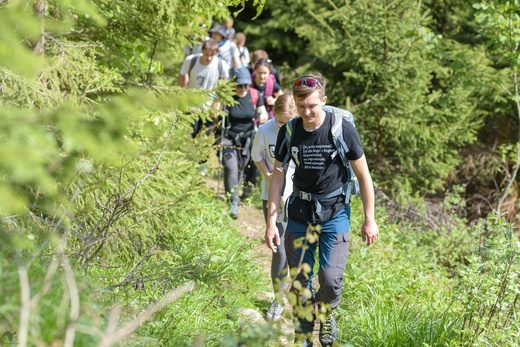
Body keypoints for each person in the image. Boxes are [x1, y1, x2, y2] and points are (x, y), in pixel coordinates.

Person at [265, 73, 379, 346]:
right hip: (299, 214)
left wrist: (369, 218)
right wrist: (271, 222)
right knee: (300, 281)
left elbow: (363, 176)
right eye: (302, 106)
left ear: (324, 101)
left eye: (313, 106)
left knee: (329, 279)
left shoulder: (342, 129)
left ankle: (327, 315)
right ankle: (303, 334)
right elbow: (277, 176)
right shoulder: (289, 131)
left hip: (335, 212)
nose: (307, 112)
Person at [251, 94, 298, 322]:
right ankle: (278, 299)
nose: (284, 126)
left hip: (299, 197)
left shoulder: (302, 129)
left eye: (288, 121)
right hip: (272, 196)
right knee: (279, 250)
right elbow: (256, 155)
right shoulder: (265, 130)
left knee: (297, 251)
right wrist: (269, 176)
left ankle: (301, 300)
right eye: (280, 122)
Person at [218, 67, 268, 218]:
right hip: (227, 137)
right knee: (231, 167)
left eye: (245, 85)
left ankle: (235, 195)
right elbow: (214, 113)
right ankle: (233, 202)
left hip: (247, 138)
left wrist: (263, 115)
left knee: (240, 169)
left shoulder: (254, 94)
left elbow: (262, 110)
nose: (242, 88)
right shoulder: (227, 96)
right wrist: (219, 96)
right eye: (239, 85)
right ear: (233, 84)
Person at [242, 58, 284, 198]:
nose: (263, 76)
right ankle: (248, 183)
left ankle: (257, 184)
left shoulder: (273, 85)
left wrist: (274, 101)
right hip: (249, 121)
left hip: (268, 122)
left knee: (265, 155)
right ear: (255, 71)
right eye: (260, 73)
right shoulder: (248, 83)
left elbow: (285, 102)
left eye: (265, 73)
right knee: (251, 155)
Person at [178, 39, 229, 138]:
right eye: (206, 54)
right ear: (202, 51)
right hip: (192, 105)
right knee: (190, 134)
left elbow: (223, 87)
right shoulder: (191, 60)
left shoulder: (221, 65)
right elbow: (182, 77)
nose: (209, 58)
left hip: (210, 105)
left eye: (212, 55)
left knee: (205, 137)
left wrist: (217, 104)